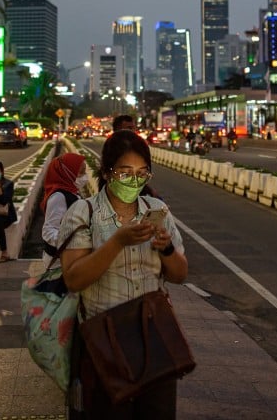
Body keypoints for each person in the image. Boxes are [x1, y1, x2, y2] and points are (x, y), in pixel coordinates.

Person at [61, 130, 188, 418]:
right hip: (104, 341)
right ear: (106, 173)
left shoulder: (157, 210)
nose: (135, 181)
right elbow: (74, 279)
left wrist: (166, 249)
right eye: (126, 173)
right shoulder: (84, 213)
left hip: (153, 339)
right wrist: (117, 242)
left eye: (143, 174)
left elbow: (180, 275)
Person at [40, 152, 89, 263]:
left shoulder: (71, 192)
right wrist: (73, 241)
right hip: (60, 260)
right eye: (81, 173)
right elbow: (48, 230)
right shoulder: (59, 197)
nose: (85, 176)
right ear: (68, 173)